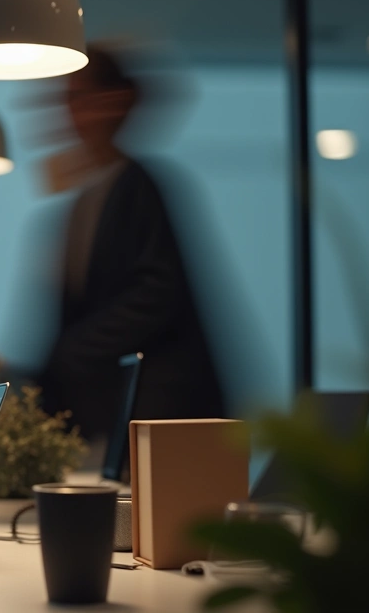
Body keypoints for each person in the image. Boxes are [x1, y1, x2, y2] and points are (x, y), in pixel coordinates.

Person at [36, 44, 225, 449]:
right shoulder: (92, 195)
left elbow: (158, 292)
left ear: (116, 102)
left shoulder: (137, 187)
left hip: (156, 413)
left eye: (80, 97)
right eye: (68, 100)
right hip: (117, 411)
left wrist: (70, 353)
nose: (72, 113)